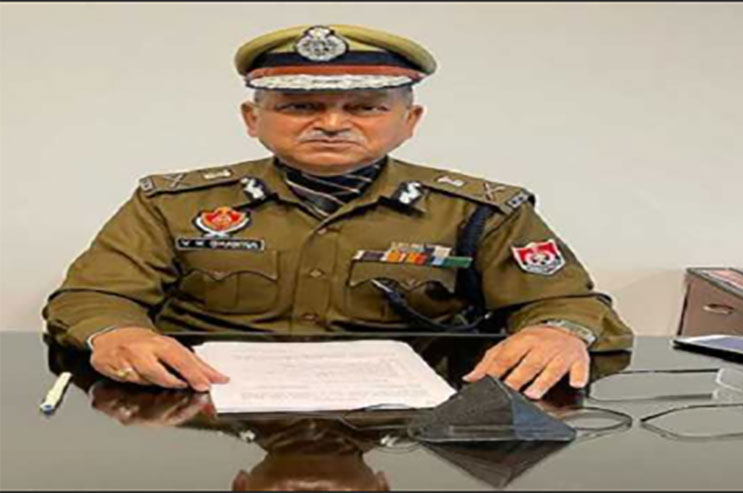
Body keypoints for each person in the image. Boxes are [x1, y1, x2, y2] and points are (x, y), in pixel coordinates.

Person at [43, 24, 633, 399]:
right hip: (206, 404)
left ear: (410, 121)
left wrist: (558, 331)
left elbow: (567, 301)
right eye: (300, 106)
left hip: (408, 416)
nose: (331, 123)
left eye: (365, 106)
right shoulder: (173, 204)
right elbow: (90, 297)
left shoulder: (480, 210)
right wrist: (117, 332)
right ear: (253, 119)